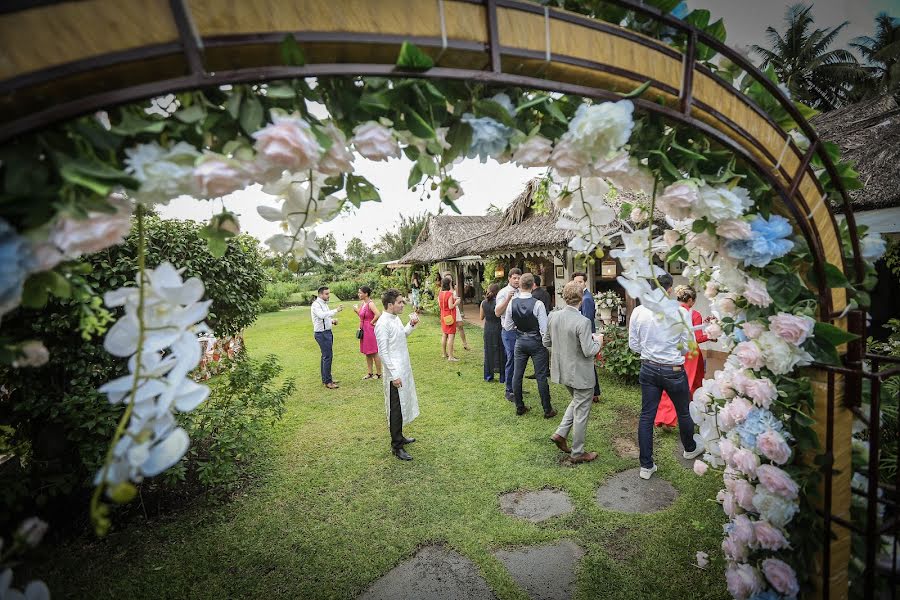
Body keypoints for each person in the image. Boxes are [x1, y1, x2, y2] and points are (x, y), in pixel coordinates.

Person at [628, 272, 704, 480]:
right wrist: (670, 355)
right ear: (669, 289)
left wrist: (652, 351)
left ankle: (646, 465)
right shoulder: (680, 312)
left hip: (649, 367)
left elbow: (633, 345)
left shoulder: (638, 311)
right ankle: (689, 448)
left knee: (646, 415)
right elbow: (688, 344)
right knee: (683, 412)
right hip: (673, 369)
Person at [544, 281, 602, 463]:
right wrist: (599, 340)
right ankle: (578, 453)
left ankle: (561, 433)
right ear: (582, 300)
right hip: (580, 374)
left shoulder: (553, 316)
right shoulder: (583, 322)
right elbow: (589, 350)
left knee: (577, 401)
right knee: (582, 411)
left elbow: (546, 341)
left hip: (561, 370)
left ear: (564, 297)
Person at [655, 285, 716, 427]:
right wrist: (712, 334)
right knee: (692, 384)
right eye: (693, 300)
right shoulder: (694, 314)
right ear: (690, 299)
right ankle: (694, 415)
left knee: (671, 384)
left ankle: (664, 417)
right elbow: (698, 338)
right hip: (691, 354)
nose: (693, 303)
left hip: (674, 351)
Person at [374, 289, 420, 461]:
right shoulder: (382, 323)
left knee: (402, 404)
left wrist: (412, 324)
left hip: (403, 367)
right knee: (396, 408)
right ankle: (396, 446)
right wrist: (394, 375)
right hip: (394, 372)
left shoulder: (395, 318)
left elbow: (402, 334)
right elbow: (383, 352)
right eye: (400, 302)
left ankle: (400, 436)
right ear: (390, 305)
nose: (403, 305)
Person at [510, 273, 554, 417]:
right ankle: (547, 410)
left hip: (520, 341)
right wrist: (546, 343)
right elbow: (544, 328)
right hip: (536, 342)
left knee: (517, 375)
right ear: (532, 285)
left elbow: (507, 325)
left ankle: (519, 406)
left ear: (521, 285)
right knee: (541, 376)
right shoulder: (538, 304)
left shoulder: (512, 302)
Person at [572, 273, 602, 402]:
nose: (577, 284)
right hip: (584, 333)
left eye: (580, 282)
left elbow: (587, 319)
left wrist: (586, 336)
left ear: (585, 283)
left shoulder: (587, 298)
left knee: (589, 364)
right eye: (575, 282)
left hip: (587, 333)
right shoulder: (580, 297)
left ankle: (594, 392)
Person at [494, 267, 522, 401]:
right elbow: (497, 312)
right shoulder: (503, 292)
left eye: (518, 278)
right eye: (514, 278)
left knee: (520, 360)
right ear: (509, 279)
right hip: (509, 332)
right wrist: (508, 299)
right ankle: (509, 390)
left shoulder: (522, 291)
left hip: (521, 331)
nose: (517, 280)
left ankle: (517, 387)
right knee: (511, 359)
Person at [311, 286, 344, 389]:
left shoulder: (324, 304)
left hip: (327, 332)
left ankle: (326, 379)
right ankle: (328, 382)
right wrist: (336, 310)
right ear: (320, 294)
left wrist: (332, 321)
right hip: (322, 334)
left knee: (325, 356)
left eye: (329, 293)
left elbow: (325, 318)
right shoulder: (316, 305)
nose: (328, 295)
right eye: (326, 294)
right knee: (327, 357)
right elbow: (321, 316)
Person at [354, 286, 383, 380]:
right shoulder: (363, 303)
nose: (359, 294)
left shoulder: (370, 303)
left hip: (369, 330)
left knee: (374, 352)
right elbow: (362, 316)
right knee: (367, 352)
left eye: (360, 293)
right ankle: (370, 373)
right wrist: (357, 311)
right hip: (363, 330)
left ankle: (379, 373)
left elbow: (378, 314)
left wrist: (371, 322)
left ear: (366, 294)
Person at [480, 283, 505, 383]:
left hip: (488, 329)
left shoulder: (483, 303)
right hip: (499, 328)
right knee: (501, 352)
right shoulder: (499, 303)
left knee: (488, 352)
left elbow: (481, 317)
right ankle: (502, 377)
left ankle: (488, 375)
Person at [438, 276, 460, 362]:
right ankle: (451, 356)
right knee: (451, 336)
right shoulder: (449, 294)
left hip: (443, 315)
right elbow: (451, 306)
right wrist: (456, 302)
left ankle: (444, 353)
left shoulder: (440, 294)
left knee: (444, 334)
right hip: (450, 316)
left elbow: (441, 305)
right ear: (449, 284)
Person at [454, 285, 471, 351]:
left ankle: (465, 344)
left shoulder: (455, 288)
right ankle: (452, 346)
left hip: (456, 310)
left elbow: (459, 297)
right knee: (451, 329)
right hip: (450, 311)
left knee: (460, 326)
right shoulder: (445, 290)